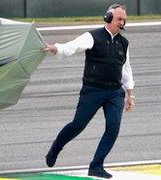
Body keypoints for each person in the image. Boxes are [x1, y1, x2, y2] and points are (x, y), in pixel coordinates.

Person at [41, 4, 135, 179]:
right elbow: (72, 46)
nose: (121, 23)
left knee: (113, 128)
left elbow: (126, 69)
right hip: (93, 90)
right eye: (118, 19)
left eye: (124, 20)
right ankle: (56, 148)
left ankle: (96, 166)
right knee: (78, 125)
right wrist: (56, 49)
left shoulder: (124, 43)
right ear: (108, 18)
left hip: (115, 92)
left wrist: (130, 94)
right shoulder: (92, 36)